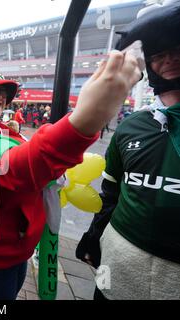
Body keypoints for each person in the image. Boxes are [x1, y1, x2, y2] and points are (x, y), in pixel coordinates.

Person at [0, 53, 141, 300]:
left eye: (2, 92)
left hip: (17, 250)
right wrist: (82, 122)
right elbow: (18, 169)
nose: (0, 98)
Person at [76, 1, 180, 300]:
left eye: (177, 49)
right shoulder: (132, 125)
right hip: (120, 265)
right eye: (158, 54)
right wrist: (94, 236)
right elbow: (111, 194)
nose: (169, 59)